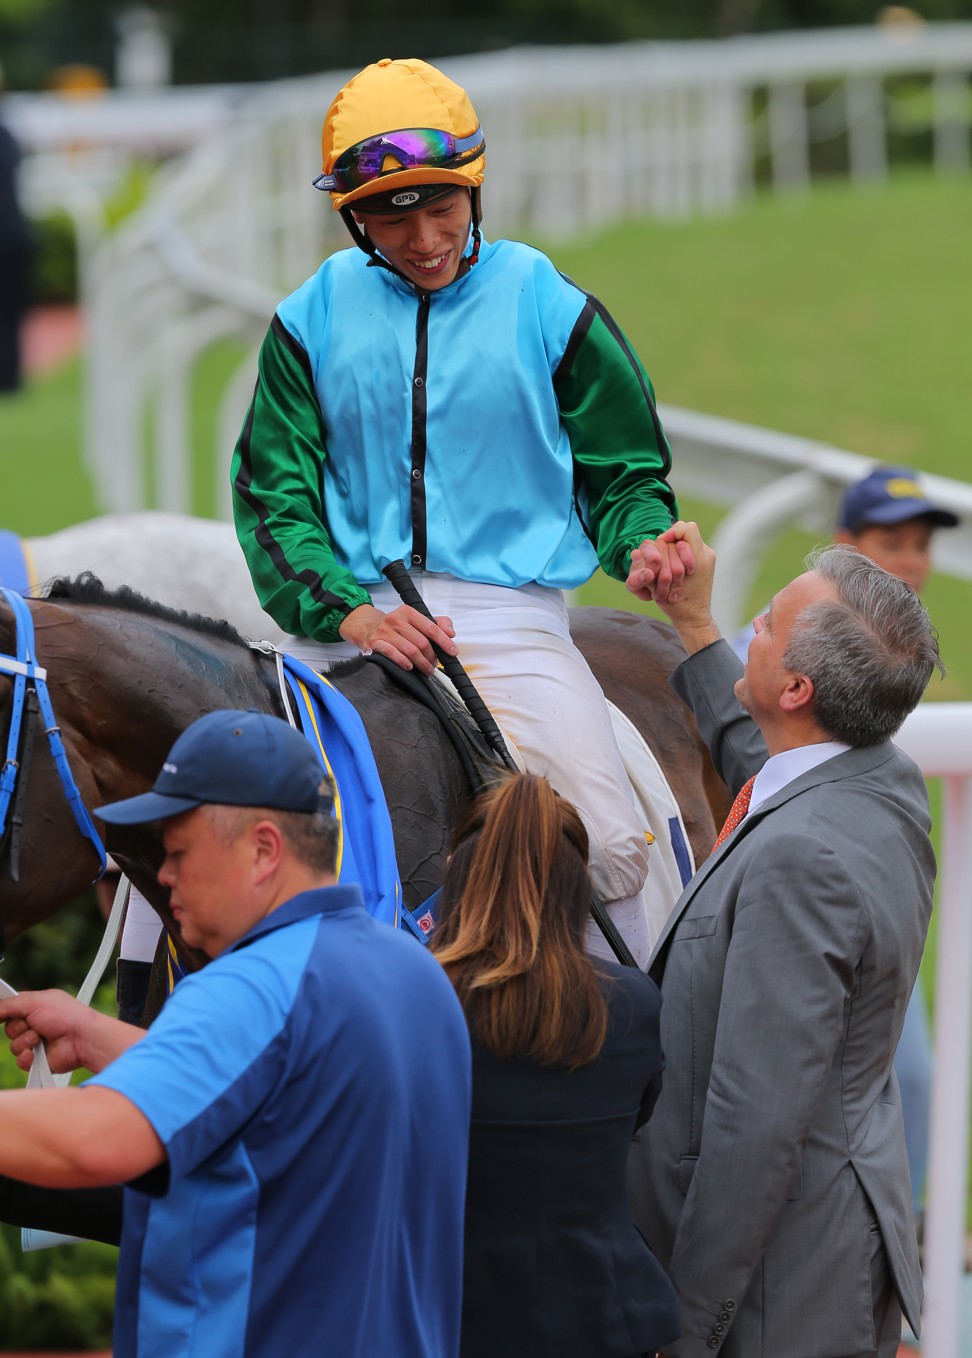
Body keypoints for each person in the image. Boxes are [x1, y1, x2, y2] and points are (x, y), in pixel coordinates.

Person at [231, 56, 693, 966]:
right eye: (390, 218)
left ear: (473, 190)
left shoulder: (547, 302)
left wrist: (641, 540)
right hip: (345, 617)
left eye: (441, 208)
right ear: (353, 218)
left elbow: (624, 468)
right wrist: (351, 611)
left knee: (603, 839)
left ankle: (642, 1049)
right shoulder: (308, 317)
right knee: (193, 809)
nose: (424, 238)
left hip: (505, 619)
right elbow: (272, 497)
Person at [0, 709, 471, 1358]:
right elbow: (278, 1104)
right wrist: (100, 1038)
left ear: (262, 850)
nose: (161, 876)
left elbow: (96, 1142)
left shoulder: (252, 984)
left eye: (178, 852)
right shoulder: (411, 972)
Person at [626, 522, 942, 1358]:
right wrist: (695, 626)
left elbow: (754, 1124)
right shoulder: (877, 772)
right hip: (817, 1249)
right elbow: (761, 764)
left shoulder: (802, 860)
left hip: (781, 1294)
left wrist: (686, 1331)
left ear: (797, 688)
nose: (749, 632)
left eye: (761, 625)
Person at [731, 462, 958, 1222]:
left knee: (914, 1079)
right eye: (889, 541)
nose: (909, 560)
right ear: (844, 544)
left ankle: (897, 1253)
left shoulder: (899, 660)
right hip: (777, 898)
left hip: (864, 892)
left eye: (919, 544)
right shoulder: (766, 650)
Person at [431, 771, 681, 1358]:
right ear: (574, 891)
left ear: (454, 872)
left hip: (455, 1318)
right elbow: (638, 1118)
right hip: (605, 1318)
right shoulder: (634, 1005)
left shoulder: (412, 999)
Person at [0, 65, 31, 394]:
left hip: (9, 235)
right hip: (12, 234)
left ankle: (10, 378)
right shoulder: (8, 134)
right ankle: (10, 379)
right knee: (10, 314)